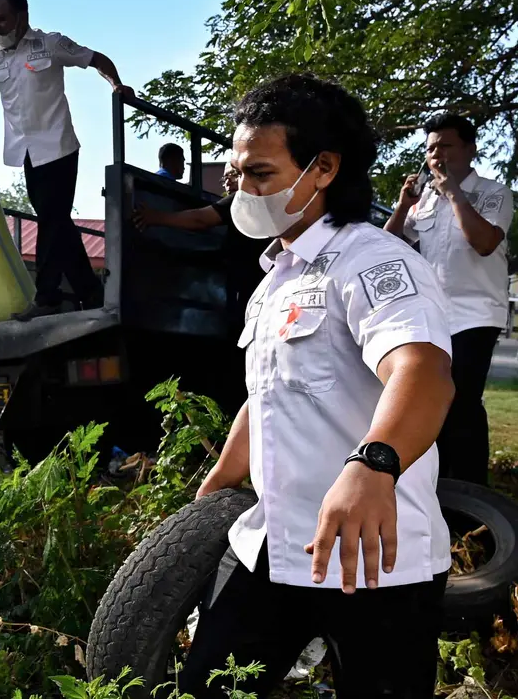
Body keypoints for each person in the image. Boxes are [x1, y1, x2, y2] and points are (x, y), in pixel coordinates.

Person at [185, 74, 455, 697]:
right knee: (205, 688)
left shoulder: (373, 261)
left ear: (324, 168)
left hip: (377, 564)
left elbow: (422, 371)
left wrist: (374, 464)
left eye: (260, 174)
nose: (242, 191)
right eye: (236, 176)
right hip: (272, 552)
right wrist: (220, 481)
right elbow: (271, 395)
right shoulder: (274, 279)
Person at [0, 0, 133, 321]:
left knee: (51, 219)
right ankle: (90, 291)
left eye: (2, 18)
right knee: (57, 222)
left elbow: (96, 58)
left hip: (59, 145)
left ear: (22, 16)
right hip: (25, 150)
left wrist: (116, 84)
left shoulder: (50, 44)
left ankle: (48, 295)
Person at [384, 113, 515, 486]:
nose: (436, 155)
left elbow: (485, 242)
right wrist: (402, 206)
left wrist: (454, 193)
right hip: (431, 314)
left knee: (462, 399)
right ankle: (439, 486)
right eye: (430, 148)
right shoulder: (422, 200)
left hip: (476, 314)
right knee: (430, 398)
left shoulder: (494, 192)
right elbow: (389, 247)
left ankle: (473, 490)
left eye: (445, 146)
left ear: (470, 150)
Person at [132, 165, 267, 333]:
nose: (227, 181)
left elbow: (200, 219)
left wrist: (155, 217)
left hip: (249, 288)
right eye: (223, 178)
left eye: (232, 175)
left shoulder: (243, 200)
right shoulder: (265, 201)